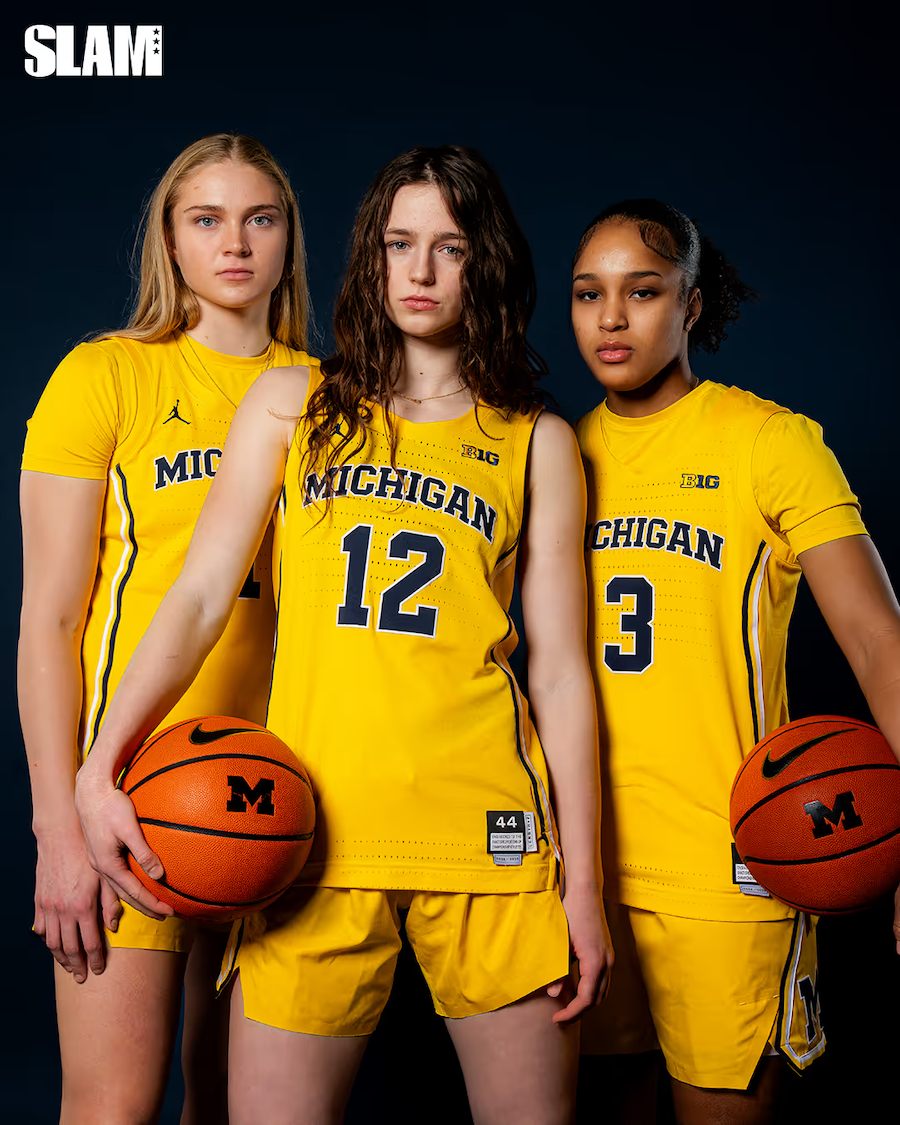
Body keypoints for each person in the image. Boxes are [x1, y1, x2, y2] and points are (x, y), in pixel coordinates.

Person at [73, 145, 613, 1125]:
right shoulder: (293, 405)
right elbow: (197, 600)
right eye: (399, 243)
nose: (419, 270)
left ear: (483, 262)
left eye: (448, 247)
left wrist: (588, 886)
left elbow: (566, 678)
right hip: (311, 843)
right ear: (370, 258)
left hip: (490, 840)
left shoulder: (538, 439)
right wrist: (98, 765)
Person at [570, 199, 900, 1123]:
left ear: (693, 302)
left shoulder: (770, 442)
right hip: (582, 866)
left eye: (642, 291)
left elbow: (878, 638)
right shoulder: (553, 450)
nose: (611, 317)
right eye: (588, 293)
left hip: (729, 862)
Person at [18, 132, 317, 1125]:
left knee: (237, 1108)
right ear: (171, 243)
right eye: (207, 219)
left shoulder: (330, 395)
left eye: (259, 218)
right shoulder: (105, 377)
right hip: (131, 798)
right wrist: (60, 822)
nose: (235, 243)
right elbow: (50, 618)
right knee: (114, 1106)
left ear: (288, 239)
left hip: (280, 796)